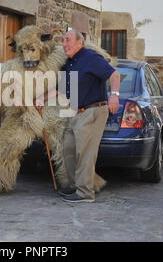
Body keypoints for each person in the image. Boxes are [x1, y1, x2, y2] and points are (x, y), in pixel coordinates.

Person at [38, 29, 120, 203]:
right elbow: (61, 88)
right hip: (75, 112)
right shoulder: (70, 63)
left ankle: (85, 193)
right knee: (68, 150)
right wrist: (40, 99)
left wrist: (114, 95)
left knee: (85, 154)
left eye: (68, 40)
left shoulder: (90, 58)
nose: (64, 44)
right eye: (63, 41)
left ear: (80, 43)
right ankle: (75, 185)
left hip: (92, 111)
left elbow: (114, 74)